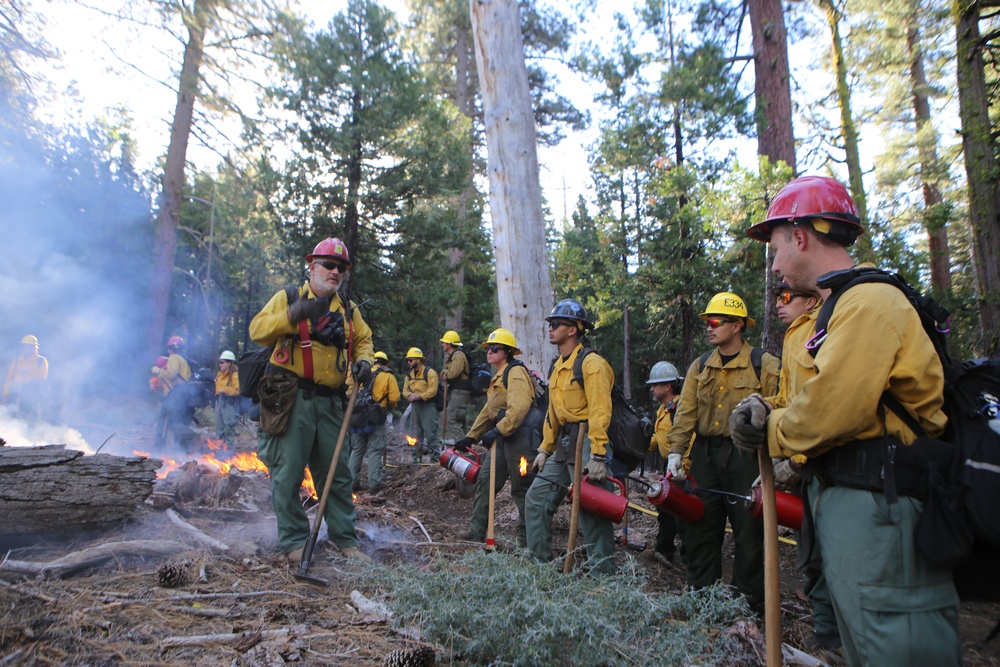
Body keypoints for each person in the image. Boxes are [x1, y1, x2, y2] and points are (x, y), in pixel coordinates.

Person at [734, 175, 960, 666]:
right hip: (858, 502)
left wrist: (768, 431)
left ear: (799, 237)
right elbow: (819, 396)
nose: (773, 263)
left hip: (883, 508)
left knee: (894, 645)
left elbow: (832, 409)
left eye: (774, 248)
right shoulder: (840, 308)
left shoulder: (867, 303)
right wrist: (772, 412)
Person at [249, 236, 374, 565]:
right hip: (291, 400)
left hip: (331, 402)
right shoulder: (289, 296)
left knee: (336, 473)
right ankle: (293, 541)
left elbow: (363, 340)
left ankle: (345, 540)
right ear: (312, 267)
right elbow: (258, 330)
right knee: (288, 471)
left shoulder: (347, 309)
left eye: (341, 268)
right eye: (329, 266)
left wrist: (364, 361)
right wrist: (293, 314)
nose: (335, 272)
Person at [666, 292, 779, 612]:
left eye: (716, 322)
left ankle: (748, 608)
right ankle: (702, 602)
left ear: (738, 325)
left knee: (749, 535)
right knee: (700, 530)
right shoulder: (700, 366)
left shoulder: (764, 364)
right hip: (705, 457)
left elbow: (782, 406)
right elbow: (685, 411)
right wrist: (676, 451)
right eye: (707, 322)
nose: (709, 328)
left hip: (748, 458)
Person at [524, 299, 617, 574]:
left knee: (591, 510)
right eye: (550, 324)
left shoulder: (592, 364)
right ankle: (540, 569)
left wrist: (599, 453)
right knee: (536, 499)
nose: (550, 329)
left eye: (556, 324)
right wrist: (544, 448)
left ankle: (603, 580)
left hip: (588, 441)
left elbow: (600, 409)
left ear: (573, 329)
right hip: (564, 444)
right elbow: (553, 412)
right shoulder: (557, 365)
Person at [454, 328, 538, 546]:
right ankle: (477, 530)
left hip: (521, 438)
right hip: (501, 439)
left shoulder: (515, 372)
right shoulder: (497, 376)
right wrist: (471, 437)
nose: (489, 352)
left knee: (522, 487)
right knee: (485, 481)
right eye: (488, 349)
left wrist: (498, 430)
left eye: (494, 349)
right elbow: (488, 410)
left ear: (508, 352)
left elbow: (519, 408)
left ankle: (526, 541)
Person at [645, 361, 686, 568]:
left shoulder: (679, 408)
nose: (651, 388)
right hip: (668, 468)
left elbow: (689, 437)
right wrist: (643, 444)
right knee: (666, 510)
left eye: (655, 385)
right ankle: (664, 550)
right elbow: (658, 437)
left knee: (682, 516)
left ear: (667, 386)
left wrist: (684, 469)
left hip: (681, 470)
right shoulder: (663, 409)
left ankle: (692, 560)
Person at [349, 351, 400, 494]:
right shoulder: (388, 376)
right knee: (375, 450)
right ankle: (374, 484)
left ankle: (352, 482)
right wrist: (388, 407)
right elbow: (395, 397)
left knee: (357, 449)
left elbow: (349, 390)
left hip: (358, 416)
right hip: (376, 416)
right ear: (386, 363)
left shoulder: (360, 372)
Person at [152, 335, 192, 449]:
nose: (168, 350)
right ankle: (181, 449)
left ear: (173, 347)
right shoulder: (184, 359)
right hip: (184, 393)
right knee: (178, 420)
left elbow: (171, 374)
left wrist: (159, 371)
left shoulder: (174, 357)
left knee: (171, 421)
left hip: (178, 392)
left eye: (169, 348)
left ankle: (195, 438)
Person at [402, 347, 440, 462]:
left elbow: (433, 390)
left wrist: (419, 396)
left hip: (428, 405)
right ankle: (416, 458)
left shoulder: (430, 373)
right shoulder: (409, 375)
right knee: (414, 432)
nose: (408, 362)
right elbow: (405, 391)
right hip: (415, 406)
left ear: (418, 360)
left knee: (430, 432)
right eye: (408, 360)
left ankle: (435, 459)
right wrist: (410, 396)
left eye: (411, 360)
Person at [2, 334, 49, 420]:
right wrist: (5, 395)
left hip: (32, 395)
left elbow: (42, 377)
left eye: (30, 346)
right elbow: (8, 379)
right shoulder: (16, 361)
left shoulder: (41, 361)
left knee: (31, 418)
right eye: (25, 346)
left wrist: (28, 373)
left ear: (35, 348)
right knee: (13, 417)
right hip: (15, 394)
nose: (27, 348)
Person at [440, 330, 472, 443]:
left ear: (449, 344)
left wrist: (445, 374)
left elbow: (454, 373)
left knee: (453, 420)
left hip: (460, 391)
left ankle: (462, 447)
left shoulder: (458, 355)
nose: (442, 345)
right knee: (460, 420)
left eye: (444, 343)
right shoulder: (452, 355)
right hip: (456, 391)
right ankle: (466, 447)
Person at [214, 350, 241, 448]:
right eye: (220, 362)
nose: (220, 364)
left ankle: (228, 451)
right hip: (220, 402)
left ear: (229, 363)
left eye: (222, 362)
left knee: (228, 427)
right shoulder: (220, 374)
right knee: (219, 427)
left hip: (229, 404)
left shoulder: (234, 375)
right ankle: (219, 450)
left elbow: (237, 390)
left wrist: (224, 390)